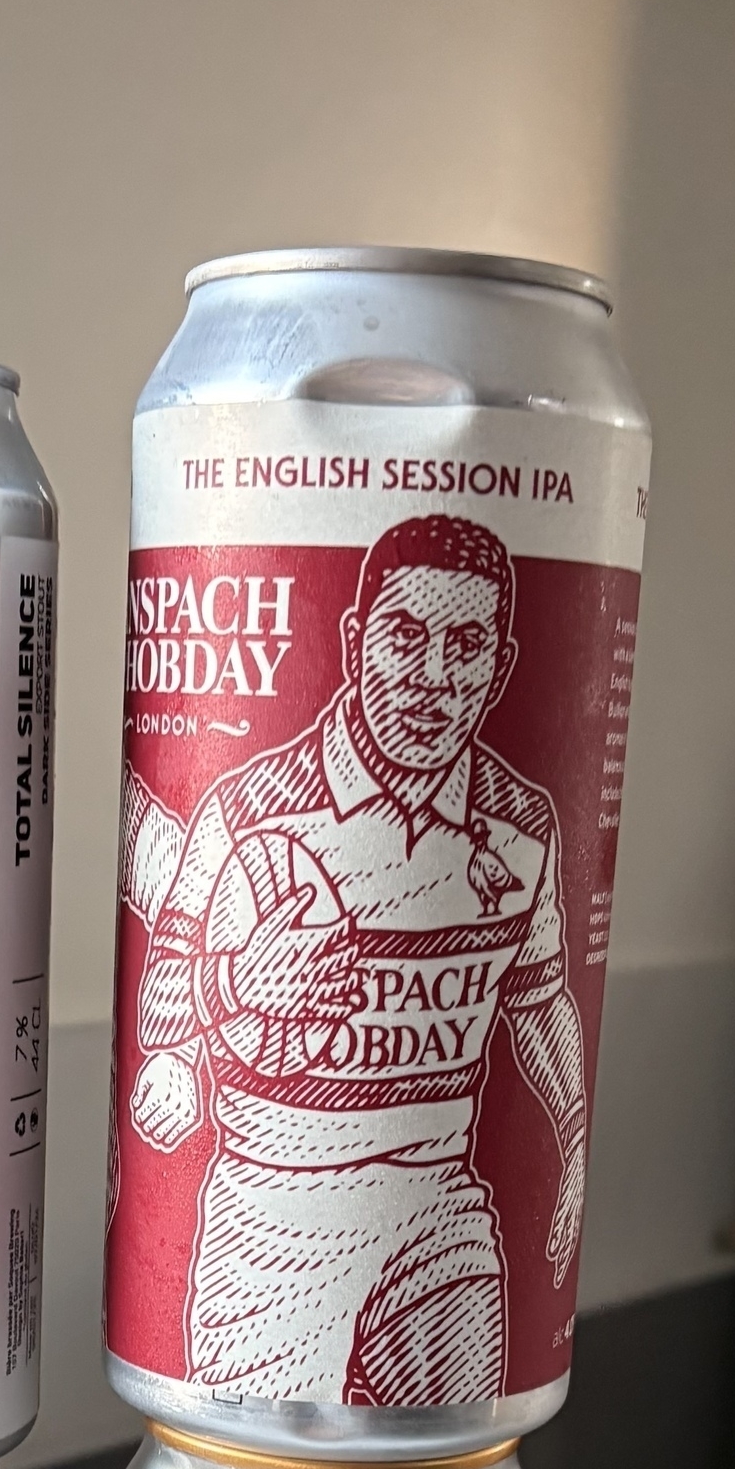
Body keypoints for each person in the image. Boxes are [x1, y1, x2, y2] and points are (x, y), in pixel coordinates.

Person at [127, 514, 586, 1405]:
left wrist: (569, 1148)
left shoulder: (523, 825)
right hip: (272, 1215)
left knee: (452, 1411)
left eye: (464, 645)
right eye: (405, 637)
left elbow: (540, 1005)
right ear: (355, 640)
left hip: (439, 1198)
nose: (432, 677)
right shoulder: (250, 807)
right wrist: (229, 994)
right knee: (261, 1466)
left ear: (500, 667)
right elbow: (169, 989)